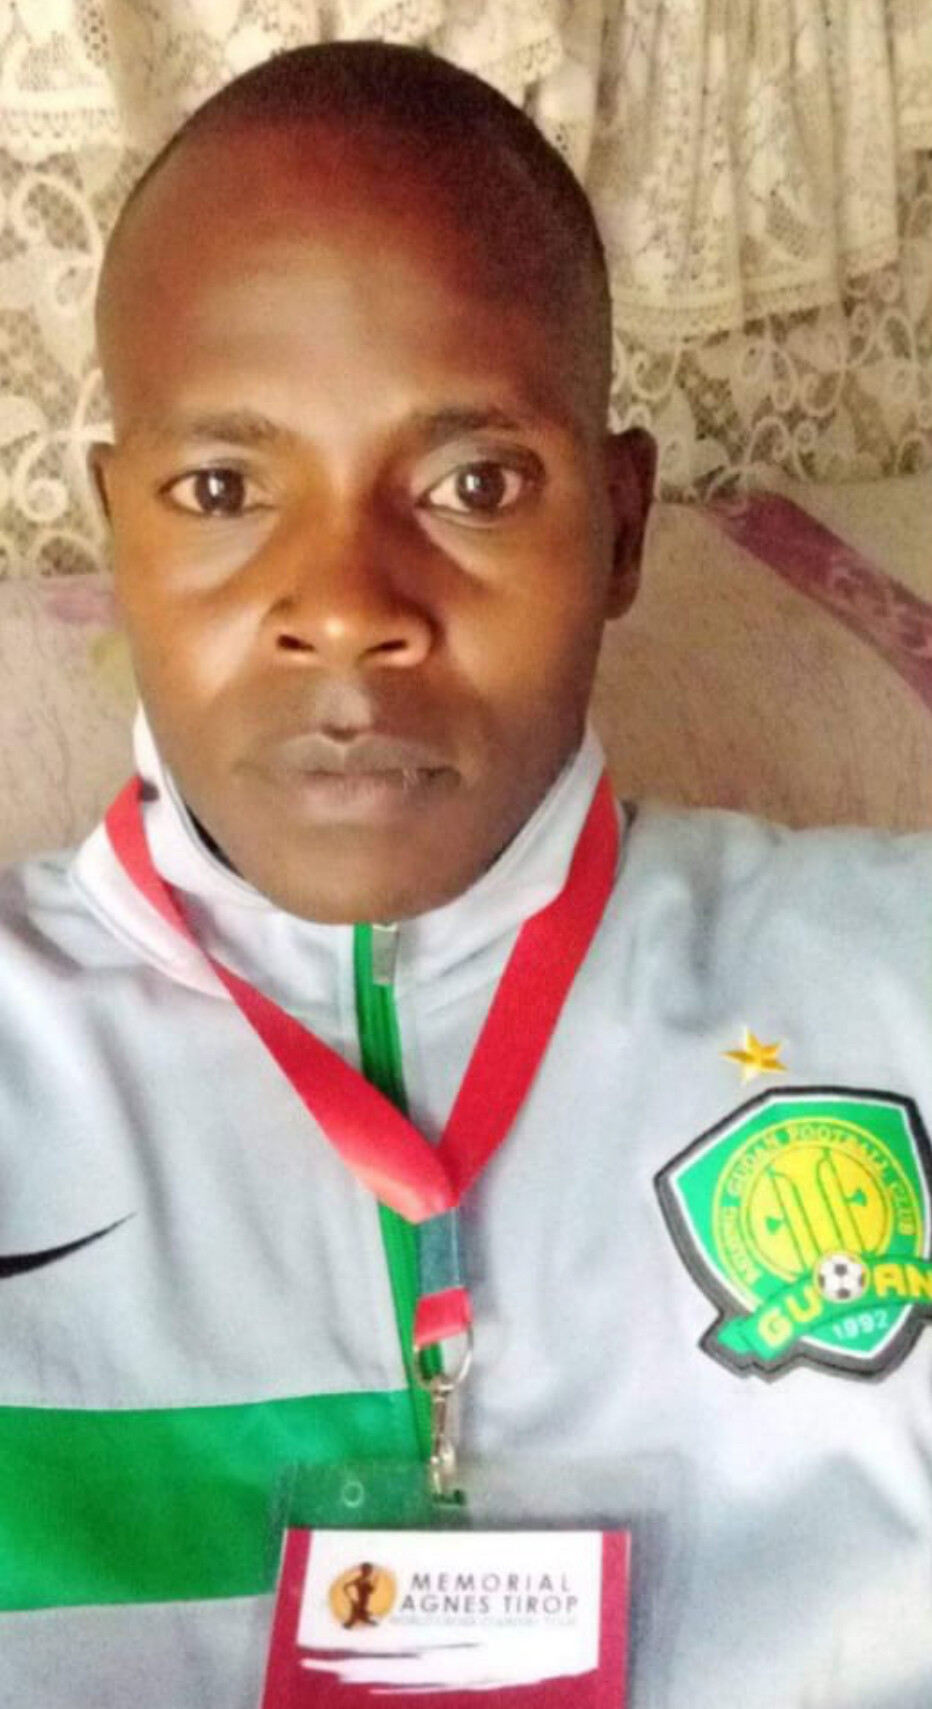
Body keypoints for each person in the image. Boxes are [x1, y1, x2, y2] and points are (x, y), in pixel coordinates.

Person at [0, 39, 930, 1709]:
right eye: (222, 488)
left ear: (624, 527)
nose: (348, 607)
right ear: (118, 526)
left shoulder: (897, 976)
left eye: (473, 484)